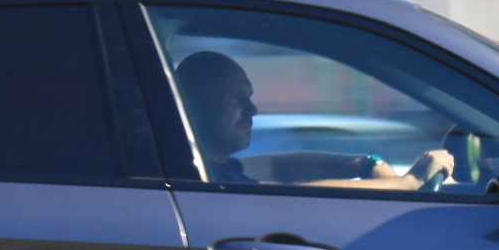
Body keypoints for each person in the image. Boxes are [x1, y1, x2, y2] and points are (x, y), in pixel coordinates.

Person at [173, 50, 456, 190]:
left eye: (250, 97)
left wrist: (367, 162)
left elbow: (278, 166)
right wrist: (410, 180)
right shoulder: (207, 181)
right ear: (194, 110)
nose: (253, 110)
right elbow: (291, 194)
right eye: (235, 100)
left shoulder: (213, 167)